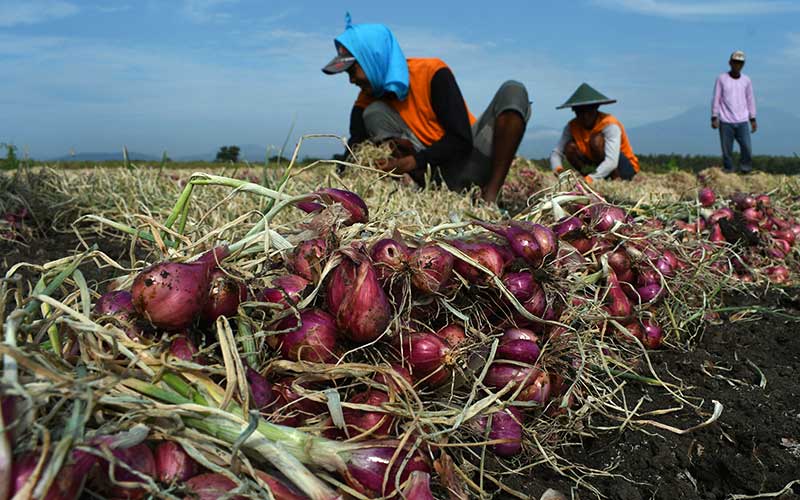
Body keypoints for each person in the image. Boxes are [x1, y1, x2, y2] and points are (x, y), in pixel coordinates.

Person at [322, 19, 530, 203]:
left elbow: (461, 138)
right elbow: (355, 147)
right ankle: (435, 192)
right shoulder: (367, 100)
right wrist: (334, 187)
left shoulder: (432, 73)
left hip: (472, 158)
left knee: (513, 91)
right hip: (435, 176)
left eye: (352, 71)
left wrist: (414, 161)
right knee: (373, 112)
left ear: (372, 59)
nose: (351, 80)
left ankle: (490, 195)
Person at [549, 83, 639, 183]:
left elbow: (612, 161)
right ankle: (590, 174)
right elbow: (556, 153)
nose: (585, 116)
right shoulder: (572, 126)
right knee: (570, 147)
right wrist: (559, 171)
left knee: (596, 141)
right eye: (580, 112)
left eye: (589, 111)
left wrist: (590, 179)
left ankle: (615, 180)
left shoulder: (609, 124)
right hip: (596, 166)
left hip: (622, 167)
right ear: (575, 111)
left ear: (596, 109)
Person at [711, 50, 757, 173]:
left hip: (742, 120)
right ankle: (729, 170)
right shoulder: (721, 79)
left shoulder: (746, 80)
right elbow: (716, 97)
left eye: (740, 63)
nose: (737, 65)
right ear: (730, 63)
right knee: (727, 150)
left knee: (746, 147)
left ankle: (745, 169)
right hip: (726, 120)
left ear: (743, 64)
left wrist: (752, 118)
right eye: (735, 62)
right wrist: (714, 116)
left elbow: (750, 99)